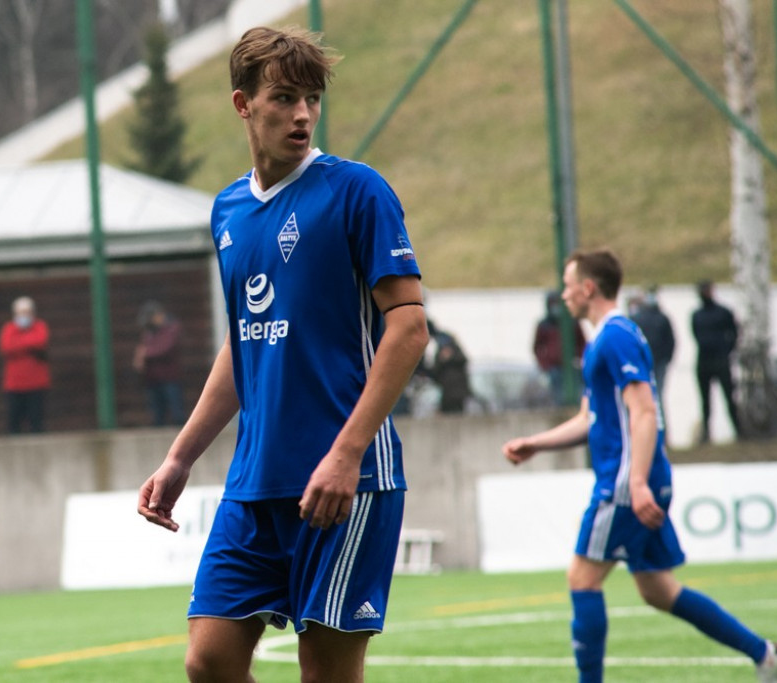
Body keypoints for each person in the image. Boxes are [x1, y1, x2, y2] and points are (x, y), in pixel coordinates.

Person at [137, 26, 428, 683]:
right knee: (207, 661)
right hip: (254, 482)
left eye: (312, 99)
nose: (301, 113)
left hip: (346, 479)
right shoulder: (229, 210)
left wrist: (347, 452)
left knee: (324, 672)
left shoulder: (357, 191)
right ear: (244, 105)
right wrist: (182, 455)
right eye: (284, 97)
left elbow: (408, 328)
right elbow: (245, 339)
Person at [502, 249, 777, 683]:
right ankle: (764, 653)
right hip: (638, 476)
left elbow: (643, 412)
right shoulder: (605, 338)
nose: (563, 294)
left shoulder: (615, 335)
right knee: (658, 590)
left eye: (568, 284)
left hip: (625, 479)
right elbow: (591, 418)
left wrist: (635, 482)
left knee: (582, 578)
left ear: (588, 288)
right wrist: (536, 444)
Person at [691, 280, 743, 442]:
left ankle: (738, 431)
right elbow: (696, 335)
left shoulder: (723, 312)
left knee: (729, 397)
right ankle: (706, 433)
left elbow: (734, 333)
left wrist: (727, 350)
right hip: (704, 361)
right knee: (705, 401)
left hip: (721, 360)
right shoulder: (696, 315)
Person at [0, 296, 50, 433]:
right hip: (14, 385)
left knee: (36, 422)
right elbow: (7, 347)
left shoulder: (40, 326)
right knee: (14, 422)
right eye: (21, 313)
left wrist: (20, 343)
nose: (24, 316)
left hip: (36, 384)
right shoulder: (9, 328)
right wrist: (28, 344)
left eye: (27, 312)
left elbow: (40, 341)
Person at [133, 301, 186, 426]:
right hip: (153, 379)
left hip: (170, 377)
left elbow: (165, 348)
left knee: (177, 412)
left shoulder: (172, 328)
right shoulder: (150, 331)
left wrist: (145, 353)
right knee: (157, 414)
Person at [533, 290, 586, 405]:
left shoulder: (572, 322)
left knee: (576, 395)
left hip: (571, 367)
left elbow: (582, 343)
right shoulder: (544, 325)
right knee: (558, 397)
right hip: (553, 368)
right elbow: (537, 347)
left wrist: (579, 359)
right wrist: (544, 364)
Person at [629, 285, 675, 403]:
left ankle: (658, 421)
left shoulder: (659, 318)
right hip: (650, 363)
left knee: (653, 397)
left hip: (655, 363)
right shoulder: (639, 318)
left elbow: (670, 340)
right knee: (655, 397)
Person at [421, 319, 471, 414]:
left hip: (453, 390)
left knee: (453, 413)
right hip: (449, 389)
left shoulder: (445, 342)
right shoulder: (442, 341)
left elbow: (461, 359)